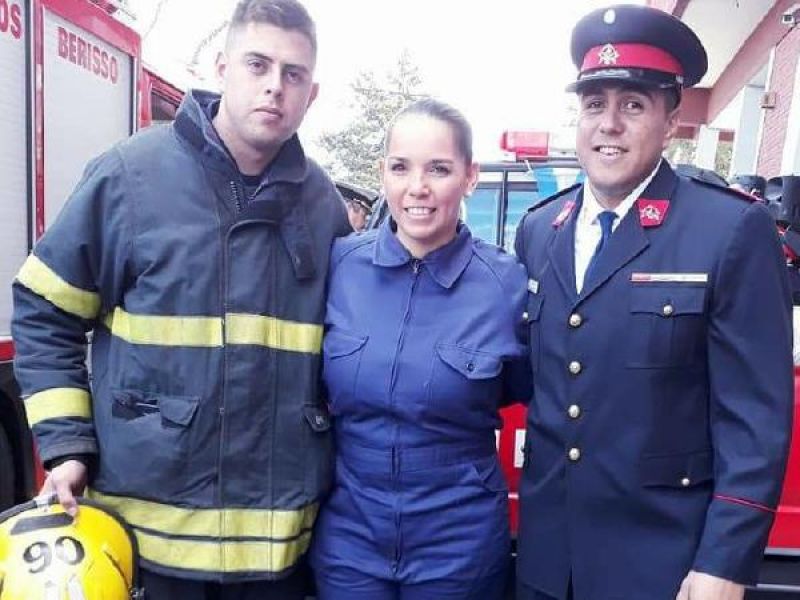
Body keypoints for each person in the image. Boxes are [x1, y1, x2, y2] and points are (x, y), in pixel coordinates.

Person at [11, 1, 350, 598]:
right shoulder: (130, 177)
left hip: (278, 558)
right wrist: (66, 445)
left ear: (311, 93)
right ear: (222, 67)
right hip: (150, 550)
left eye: (293, 74)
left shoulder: (323, 207)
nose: (274, 86)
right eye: (257, 64)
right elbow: (46, 309)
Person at [514, 5, 793, 600]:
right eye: (595, 104)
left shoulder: (728, 230)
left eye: (634, 105)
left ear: (671, 122)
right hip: (547, 562)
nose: (609, 124)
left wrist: (726, 563)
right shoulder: (540, 230)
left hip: (663, 567)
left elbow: (755, 419)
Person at [309, 98, 530, 599]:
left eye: (439, 169)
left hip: (459, 543)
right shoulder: (339, 267)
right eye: (401, 167)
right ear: (382, 173)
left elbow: (527, 387)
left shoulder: (506, 286)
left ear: (470, 177)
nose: (418, 187)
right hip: (350, 539)